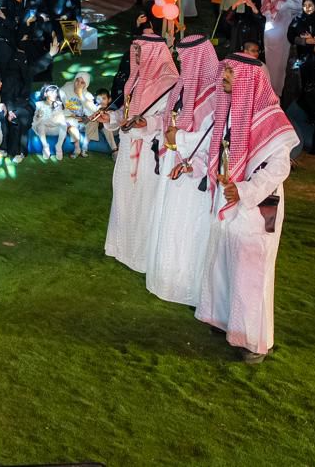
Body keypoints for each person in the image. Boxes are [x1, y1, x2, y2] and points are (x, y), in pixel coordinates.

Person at [195, 53, 300, 363]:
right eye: (224, 72)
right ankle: (224, 321)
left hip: (256, 206)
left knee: (251, 273)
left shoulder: (272, 118)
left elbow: (279, 168)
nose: (224, 78)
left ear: (248, 80)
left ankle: (253, 341)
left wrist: (243, 191)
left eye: (230, 73)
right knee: (223, 262)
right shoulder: (229, 109)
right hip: (228, 200)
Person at [146, 35, 220, 306]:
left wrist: (180, 140)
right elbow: (168, 120)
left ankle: (186, 285)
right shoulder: (181, 87)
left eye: (184, 58)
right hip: (173, 160)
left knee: (188, 226)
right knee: (169, 219)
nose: (180, 61)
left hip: (194, 171)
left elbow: (211, 138)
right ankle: (165, 277)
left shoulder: (214, 94)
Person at [104, 28, 179, 273]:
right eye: (135, 50)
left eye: (140, 51)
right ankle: (120, 248)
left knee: (145, 201)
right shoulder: (135, 79)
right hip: (128, 147)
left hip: (148, 152)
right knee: (123, 196)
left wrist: (147, 123)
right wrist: (110, 117)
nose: (135, 55)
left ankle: (141, 256)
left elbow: (170, 118)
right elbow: (127, 113)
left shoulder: (170, 83)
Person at [261, 0, 299, 98]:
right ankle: (277, 92)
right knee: (280, 66)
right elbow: (300, 6)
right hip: (281, 37)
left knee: (269, 63)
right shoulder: (285, 2)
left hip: (269, 36)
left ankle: (268, 89)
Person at [32, 84, 80, 160]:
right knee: (41, 125)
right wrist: (38, 116)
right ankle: (45, 146)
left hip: (55, 129)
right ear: (45, 94)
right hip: (44, 129)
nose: (54, 94)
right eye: (52, 92)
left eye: (55, 93)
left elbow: (61, 118)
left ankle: (59, 146)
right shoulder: (39, 104)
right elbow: (35, 120)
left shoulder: (59, 104)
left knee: (63, 124)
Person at [61, 72, 99, 156]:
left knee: (94, 121)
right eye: (77, 80)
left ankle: (85, 147)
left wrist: (81, 95)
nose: (78, 84)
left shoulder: (87, 95)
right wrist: (73, 115)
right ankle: (77, 148)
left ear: (86, 84)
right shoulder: (66, 89)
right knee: (69, 124)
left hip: (82, 120)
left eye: (82, 82)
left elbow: (93, 111)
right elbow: (61, 106)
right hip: (69, 118)